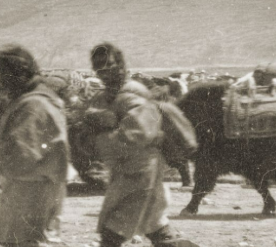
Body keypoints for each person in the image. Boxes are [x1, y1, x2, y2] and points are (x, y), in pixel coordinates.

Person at [84, 42, 198, 247]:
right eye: (99, 67)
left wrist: (104, 132)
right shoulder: (105, 97)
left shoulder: (132, 93)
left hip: (141, 170)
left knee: (113, 232)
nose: (104, 72)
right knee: (155, 227)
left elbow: (139, 134)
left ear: (121, 65)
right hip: (126, 170)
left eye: (108, 65)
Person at [0, 44, 70, 247]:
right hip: (36, 187)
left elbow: (20, 156)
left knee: (22, 241)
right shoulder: (41, 100)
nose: (1, 80)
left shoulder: (33, 106)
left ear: (19, 74)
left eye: (4, 74)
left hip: (32, 191)